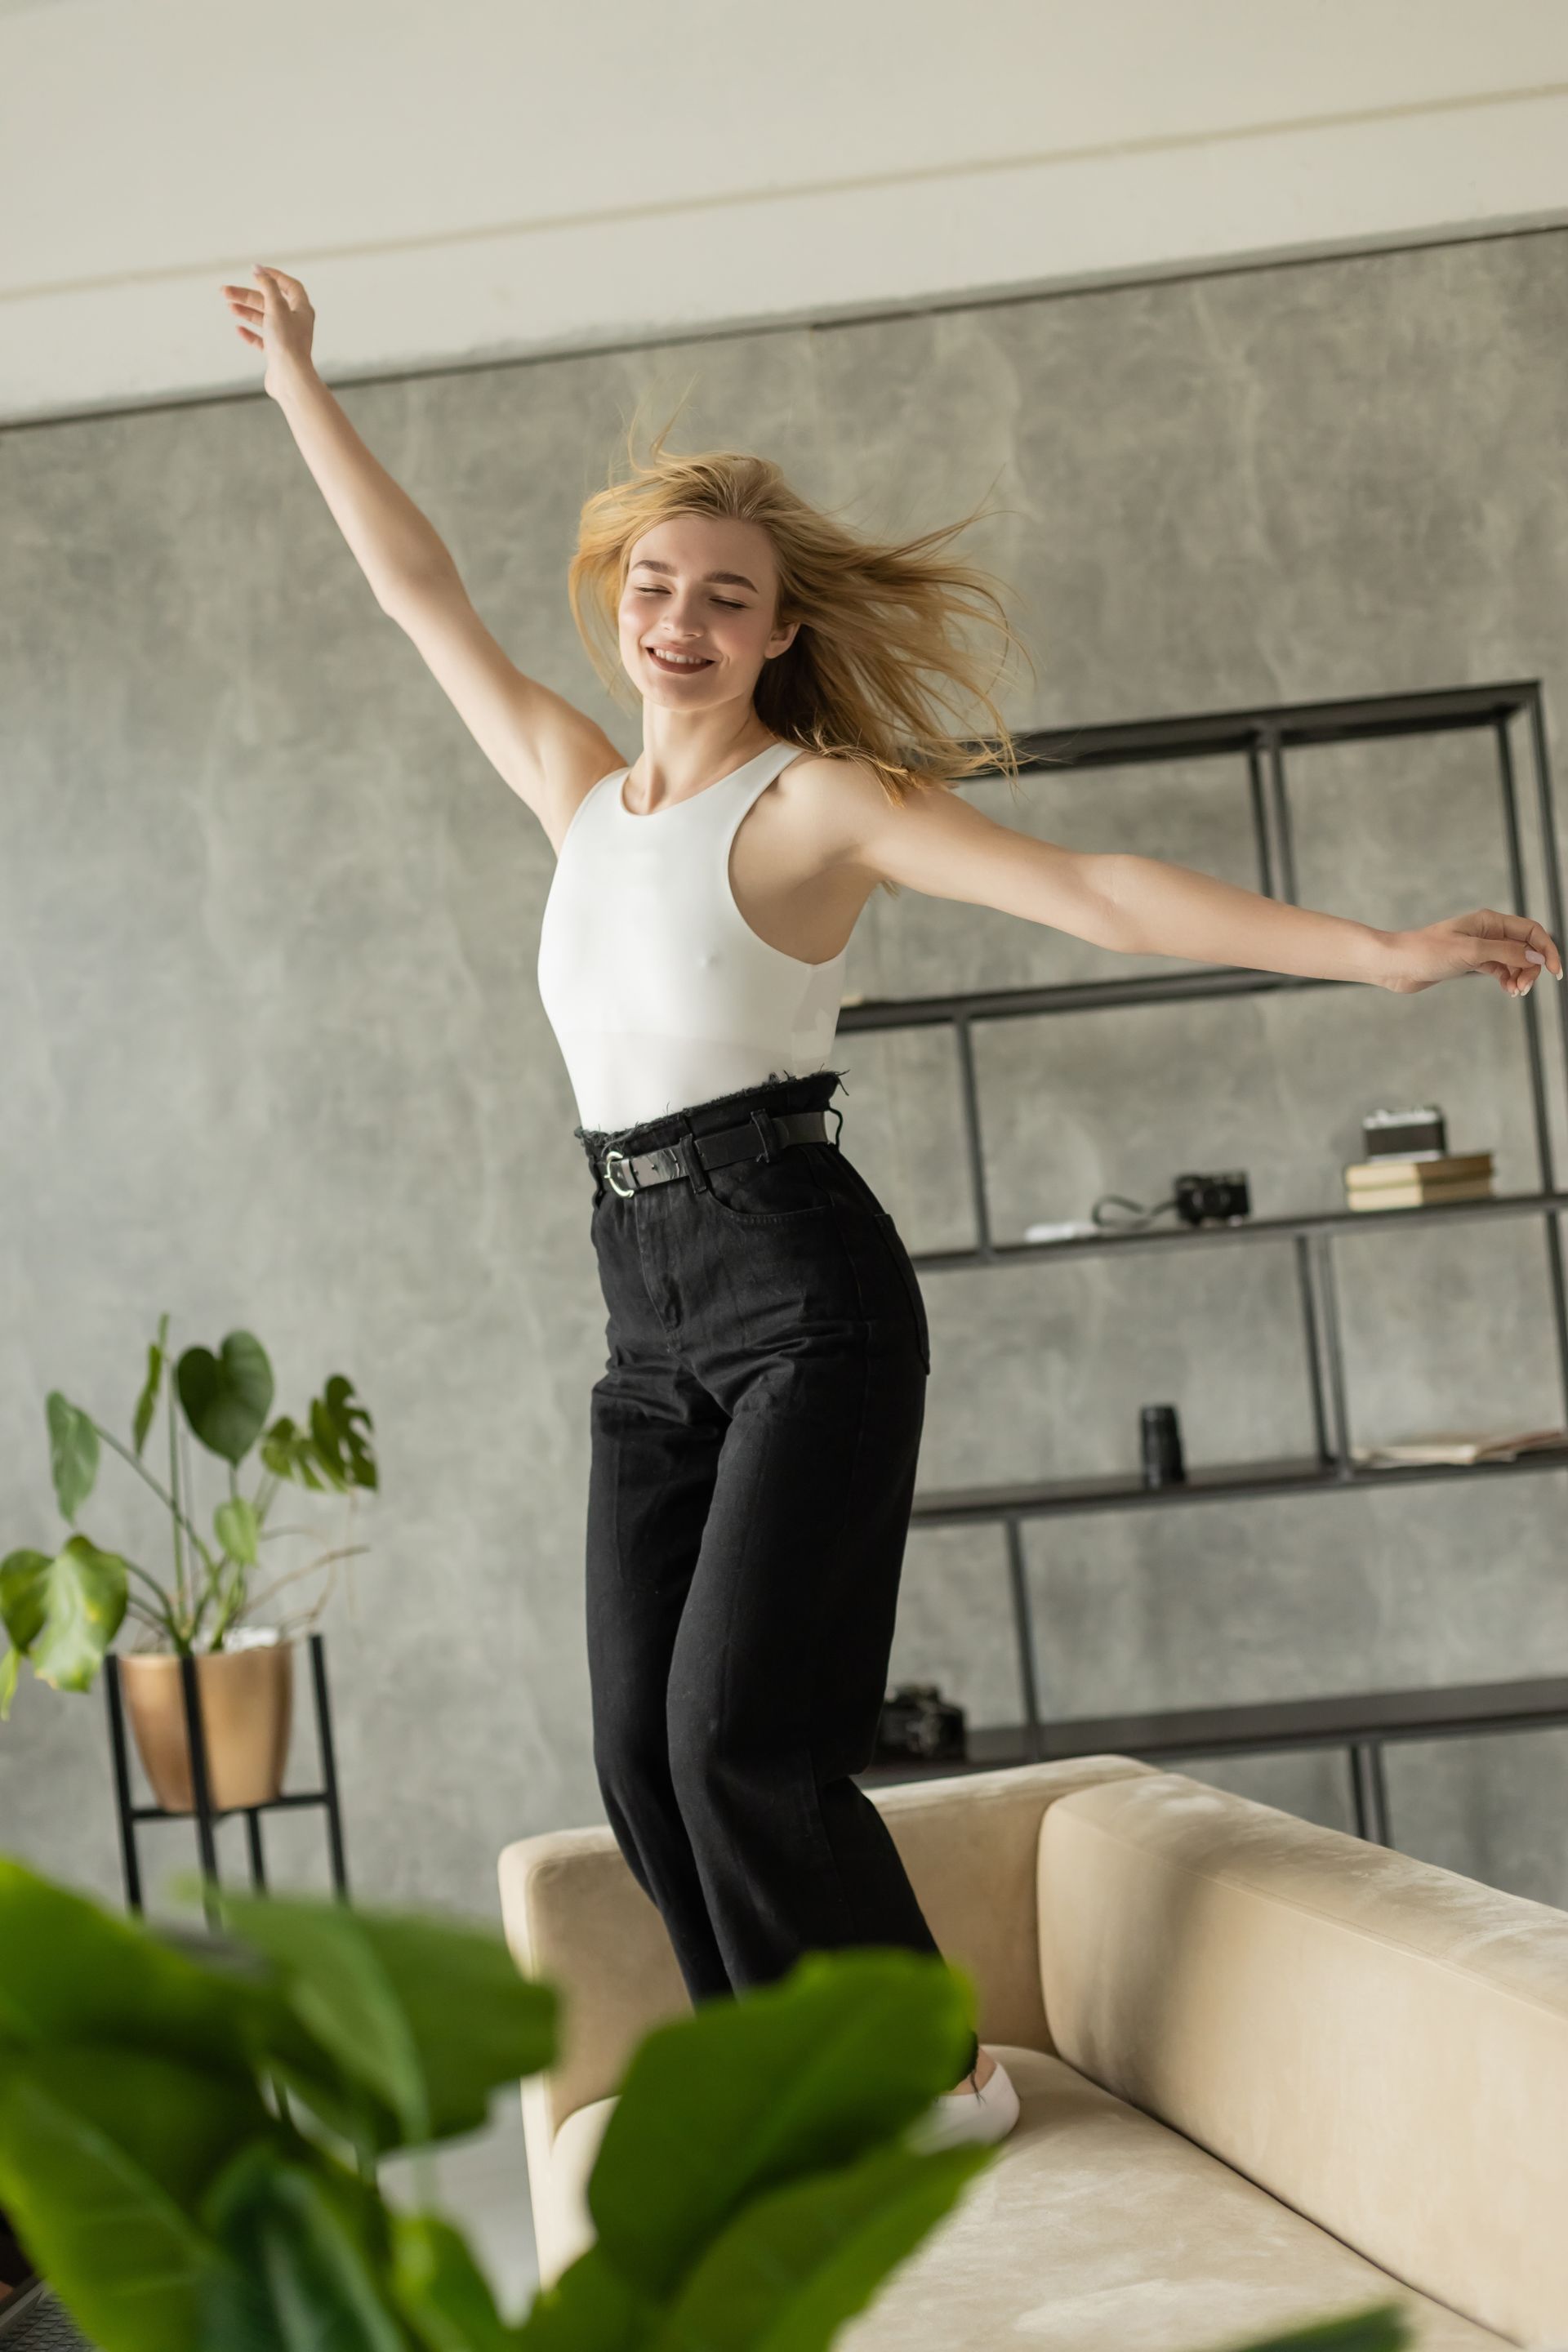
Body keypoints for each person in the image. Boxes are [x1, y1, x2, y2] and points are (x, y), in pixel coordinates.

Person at [220, 263, 1563, 2152]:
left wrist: (1378, 955)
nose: (681, 618)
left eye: (727, 598)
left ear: (777, 635)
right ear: (621, 604)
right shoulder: (576, 791)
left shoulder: (817, 804)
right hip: (647, 1315)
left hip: (803, 1295)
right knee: (636, 1750)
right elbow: (411, 587)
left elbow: (1090, 891)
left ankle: (932, 2078)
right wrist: (293, 378)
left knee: (728, 1735)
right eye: (655, 586)